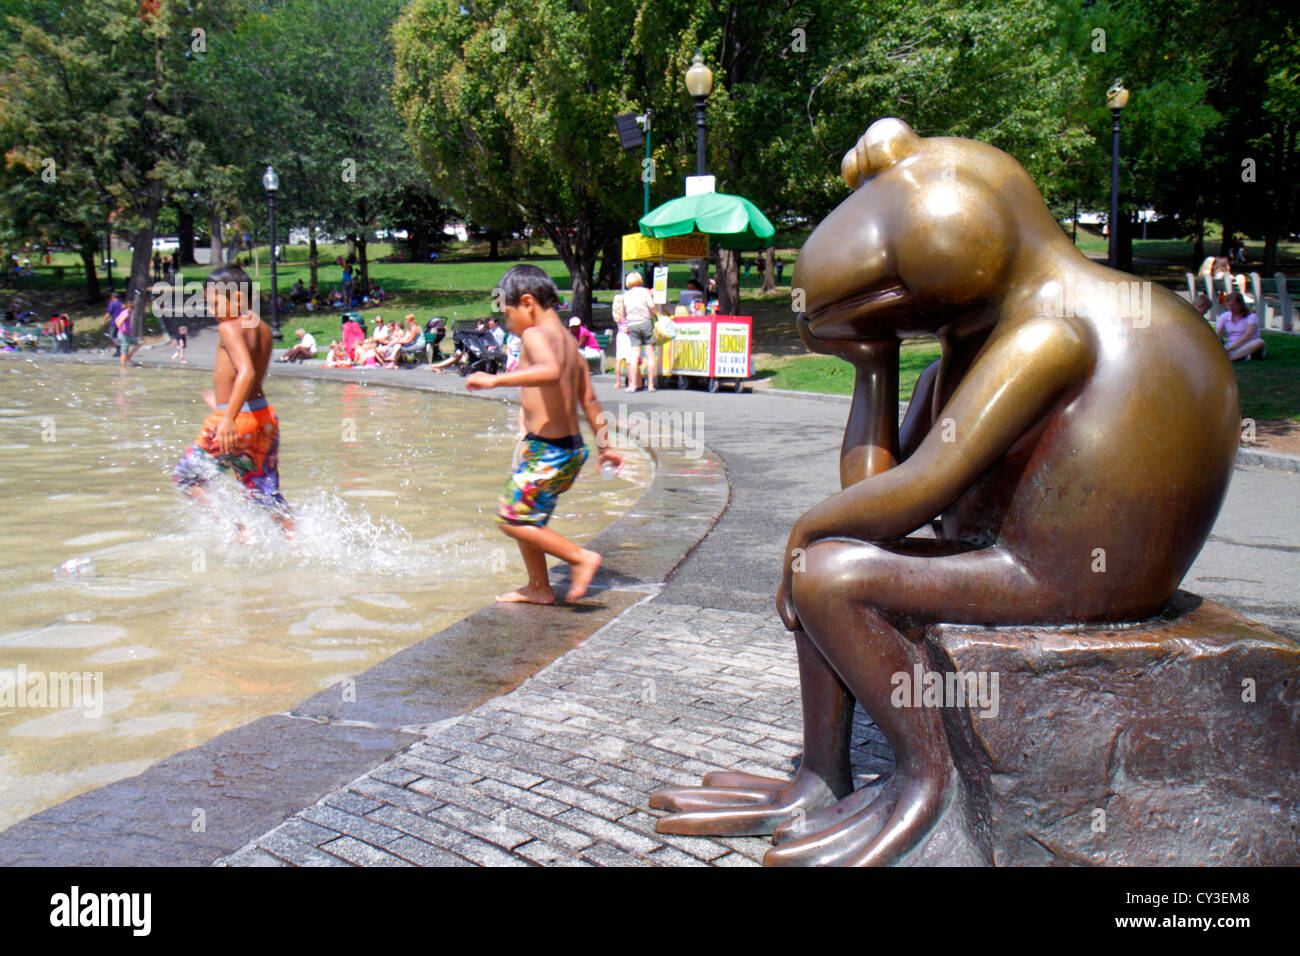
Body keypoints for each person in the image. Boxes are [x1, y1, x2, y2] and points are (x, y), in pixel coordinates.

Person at [465, 264, 623, 604]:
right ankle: (539, 586)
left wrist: (493, 380)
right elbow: (590, 401)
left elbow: (548, 372)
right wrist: (605, 447)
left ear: (528, 303)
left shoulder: (535, 336)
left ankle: (580, 558)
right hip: (569, 449)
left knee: (510, 518)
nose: (508, 324)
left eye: (507, 315)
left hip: (549, 451)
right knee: (527, 516)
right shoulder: (570, 345)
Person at [171, 265, 291, 532]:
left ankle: (238, 528)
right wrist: (225, 405)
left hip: (234, 420)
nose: (211, 311)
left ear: (237, 298)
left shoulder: (229, 327)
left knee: (187, 479)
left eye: (214, 303)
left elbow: (246, 373)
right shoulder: (264, 328)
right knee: (264, 493)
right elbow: (255, 380)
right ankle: (296, 543)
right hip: (263, 418)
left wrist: (227, 417)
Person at [622, 271, 658, 391]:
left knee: (634, 355)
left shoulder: (625, 295)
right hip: (646, 322)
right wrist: (657, 314)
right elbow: (651, 305)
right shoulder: (644, 292)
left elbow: (623, 312)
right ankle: (651, 384)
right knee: (650, 354)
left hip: (632, 324)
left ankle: (633, 384)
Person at [1215, 291, 1265, 361]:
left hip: (1247, 344)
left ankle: (1230, 358)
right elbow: (1217, 335)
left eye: (1234, 305)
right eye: (1229, 306)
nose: (1231, 309)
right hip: (1231, 344)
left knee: (1259, 342)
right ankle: (1236, 356)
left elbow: (1248, 335)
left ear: (1241, 304)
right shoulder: (1224, 316)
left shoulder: (1251, 316)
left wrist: (1231, 348)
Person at [611, 288, 632, 388]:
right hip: (627, 336)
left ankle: (618, 382)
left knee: (619, 359)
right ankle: (631, 381)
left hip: (619, 335)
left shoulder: (616, 313)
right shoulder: (626, 312)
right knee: (629, 360)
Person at [117, 295, 142, 367]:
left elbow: (116, 320)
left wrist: (120, 329)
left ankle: (129, 356)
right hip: (124, 335)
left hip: (126, 335)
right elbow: (120, 322)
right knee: (124, 351)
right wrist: (122, 330)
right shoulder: (126, 314)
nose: (132, 310)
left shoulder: (123, 312)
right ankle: (123, 367)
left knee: (139, 343)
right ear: (129, 307)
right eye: (132, 309)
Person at [104, 291, 125, 357]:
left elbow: (108, 313)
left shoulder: (112, 304)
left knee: (112, 336)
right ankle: (118, 352)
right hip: (121, 323)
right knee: (117, 336)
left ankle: (119, 345)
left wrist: (104, 321)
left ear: (112, 297)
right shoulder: (122, 304)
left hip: (114, 323)